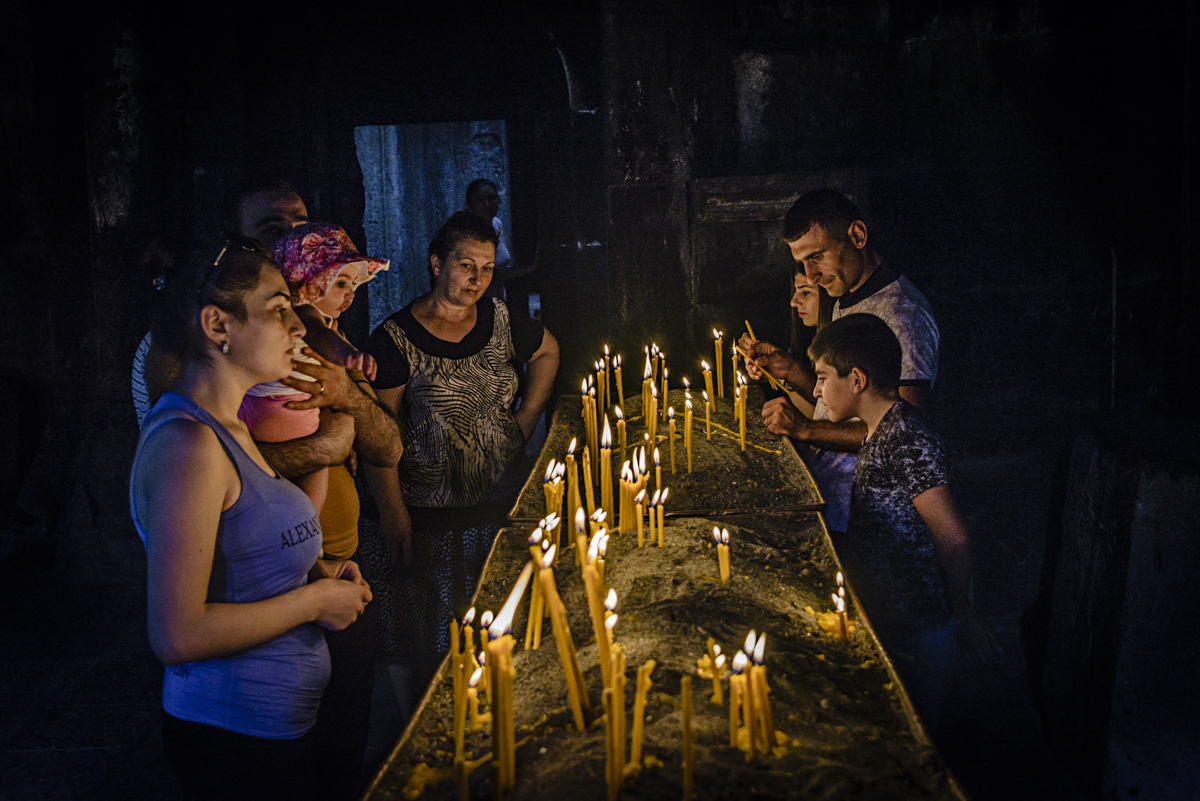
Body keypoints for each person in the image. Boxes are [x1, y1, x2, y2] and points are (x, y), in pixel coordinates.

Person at [129, 239, 373, 800]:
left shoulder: (231, 427)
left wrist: (315, 575)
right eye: (279, 309)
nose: (299, 327)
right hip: (233, 738)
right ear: (218, 325)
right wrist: (313, 603)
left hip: (276, 727)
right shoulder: (188, 444)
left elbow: (246, 553)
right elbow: (177, 634)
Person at [362, 211, 559, 708]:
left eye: (487, 268)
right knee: (428, 636)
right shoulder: (395, 339)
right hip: (426, 518)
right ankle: (427, 725)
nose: (478, 279)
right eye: (466, 265)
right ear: (437, 264)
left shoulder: (499, 320)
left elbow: (548, 352)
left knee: (493, 628)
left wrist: (526, 419)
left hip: (495, 509)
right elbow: (376, 437)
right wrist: (393, 513)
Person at [808, 313, 1001, 734]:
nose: (817, 390)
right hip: (893, 623)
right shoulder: (879, 431)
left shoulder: (907, 437)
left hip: (920, 627)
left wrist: (963, 612)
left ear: (856, 379)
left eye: (822, 378)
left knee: (913, 736)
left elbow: (953, 537)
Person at [740, 188, 938, 532]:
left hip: (867, 519)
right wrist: (789, 372)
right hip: (829, 498)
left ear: (857, 236)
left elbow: (904, 434)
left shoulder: (902, 316)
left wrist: (804, 429)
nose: (811, 275)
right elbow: (841, 400)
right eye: (802, 262)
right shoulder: (845, 299)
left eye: (817, 256)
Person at [240, 223, 389, 513]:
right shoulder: (306, 312)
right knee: (308, 506)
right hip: (289, 417)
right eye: (341, 283)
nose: (351, 294)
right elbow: (320, 337)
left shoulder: (307, 319)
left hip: (264, 413)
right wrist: (349, 354)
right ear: (310, 282)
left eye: (353, 285)